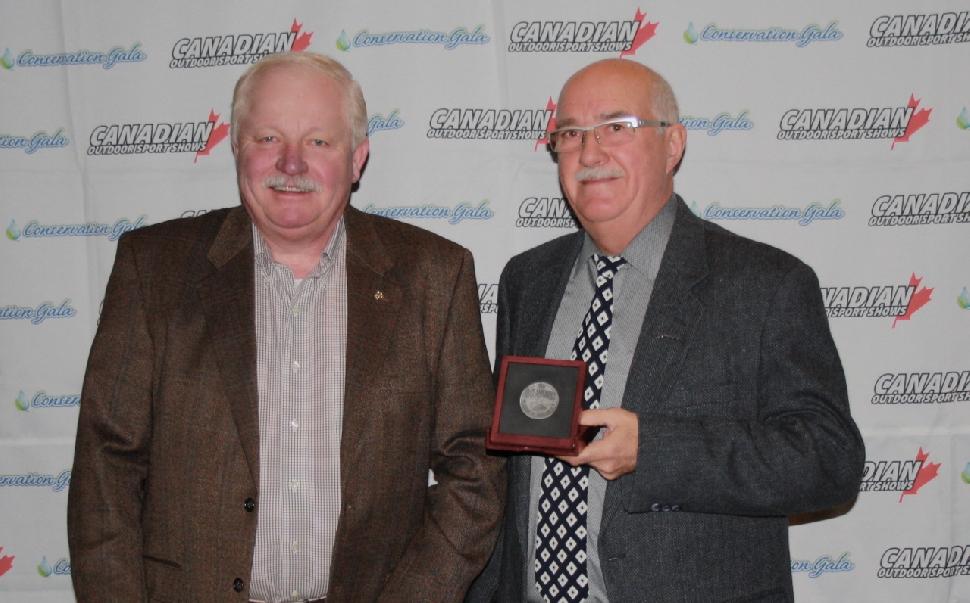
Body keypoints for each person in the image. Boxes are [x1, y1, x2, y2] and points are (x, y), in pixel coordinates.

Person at [67, 51, 505, 602]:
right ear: (236, 147)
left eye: (319, 142)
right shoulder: (153, 268)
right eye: (268, 138)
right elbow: (105, 465)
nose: (292, 163)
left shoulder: (433, 275)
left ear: (357, 159)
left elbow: (475, 470)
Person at [467, 59, 865, 602]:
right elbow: (509, 475)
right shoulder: (527, 280)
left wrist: (653, 450)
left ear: (673, 144)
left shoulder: (766, 283)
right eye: (570, 134)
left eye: (616, 127)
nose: (590, 152)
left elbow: (829, 459)